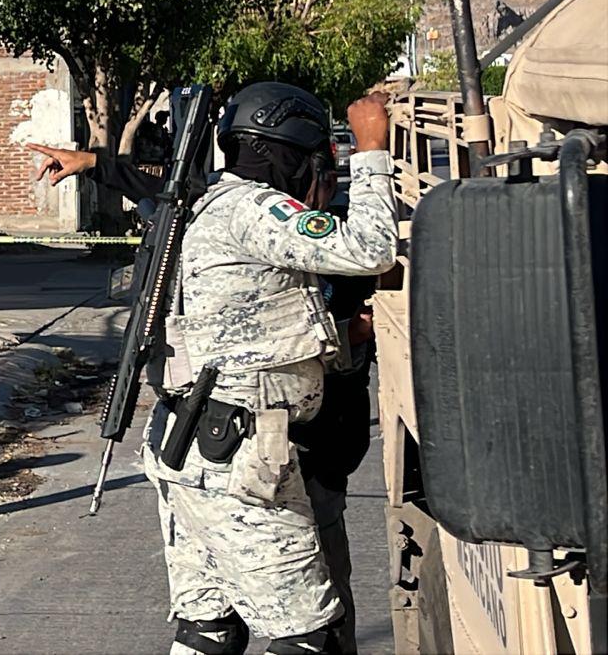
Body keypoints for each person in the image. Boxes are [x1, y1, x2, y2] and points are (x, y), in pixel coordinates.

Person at [32, 84, 394, 653]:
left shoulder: (201, 204)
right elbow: (371, 249)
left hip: (190, 450)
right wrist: (373, 150)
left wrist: (98, 165)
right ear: (287, 151)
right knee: (307, 635)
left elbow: (167, 194)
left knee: (209, 630)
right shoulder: (256, 209)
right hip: (240, 462)